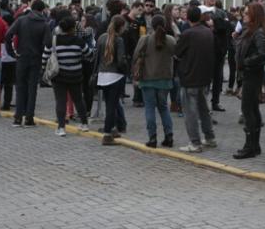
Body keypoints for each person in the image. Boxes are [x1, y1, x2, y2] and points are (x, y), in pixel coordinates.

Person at [175, 6, 217, 153]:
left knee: (190, 113)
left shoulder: (188, 34)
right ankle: (210, 137)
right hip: (204, 77)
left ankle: (195, 142)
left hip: (189, 77)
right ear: (200, 17)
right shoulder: (208, 32)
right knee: (203, 109)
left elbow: (177, 53)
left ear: (187, 18)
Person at [5, 0, 52, 128]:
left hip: (21, 57)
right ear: (42, 10)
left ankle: (18, 118)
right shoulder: (44, 24)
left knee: (20, 87)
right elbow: (48, 43)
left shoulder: (21, 20)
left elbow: (8, 35)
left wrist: (12, 53)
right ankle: (29, 118)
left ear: (32, 8)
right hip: (36, 58)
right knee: (32, 89)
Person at [233, 3, 265, 159]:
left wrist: (246, 62)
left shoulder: (258, 33)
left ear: (255, 15)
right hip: (248, 74)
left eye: (247, 13)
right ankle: (254, 146)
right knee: (251, 109)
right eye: (244, 13)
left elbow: (263, 54)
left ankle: (250, 146)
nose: (244, 15)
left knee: (249, 109)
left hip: (253, 74)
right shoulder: (250, 31)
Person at [134, 14, 176, 147]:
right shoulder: (170, 40)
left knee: (150, 108)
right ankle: (169, 136)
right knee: (164, 108)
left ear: (151, 25)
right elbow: (177, 54)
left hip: (148, 79)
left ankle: (152, 138)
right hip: (165, 80)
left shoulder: (145, 39)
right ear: (165, 25)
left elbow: (135, 56)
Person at [49, 16, 93, 137]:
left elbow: (45, 56)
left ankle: (61, 127)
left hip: (59, 76)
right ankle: (84, 124)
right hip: (76, 75)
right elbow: (89, 54)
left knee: (61, 101)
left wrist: (44, 70)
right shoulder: (78, 40)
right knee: (78, 99)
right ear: (73, 28)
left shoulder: (54, 40)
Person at [96, 15, 129, 146]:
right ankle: (107, 134)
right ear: (120, 27)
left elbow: (97, 57)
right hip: (115, 76)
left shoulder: (102, 38)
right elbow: (121, 60)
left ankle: (112, 128)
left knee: (110, 104)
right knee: (112, 105)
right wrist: (126, 69)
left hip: (103, 75)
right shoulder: (119, 40)